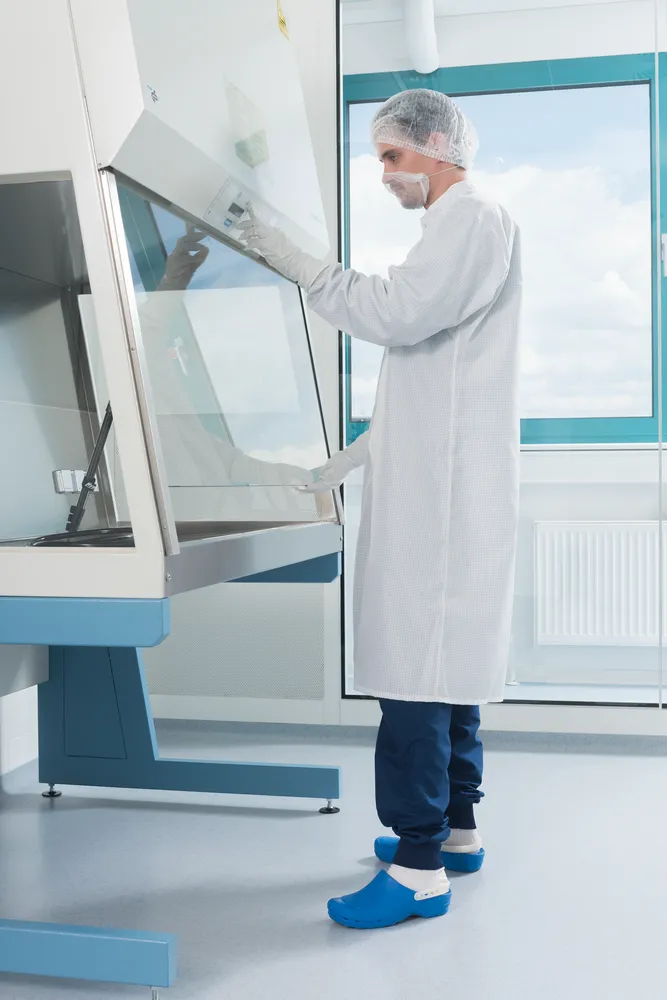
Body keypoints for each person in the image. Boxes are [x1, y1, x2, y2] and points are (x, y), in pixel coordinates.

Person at [237, 88, 522, 930]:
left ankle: (417, 869)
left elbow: (393, 315)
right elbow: (426, 386)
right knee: (447, 671)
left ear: (434, 143)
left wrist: (299, 263)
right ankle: (456, 833)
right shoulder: (461, 230)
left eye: (392, 156)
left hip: (439, 504)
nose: (385, 173)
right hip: (445, 486)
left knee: (412, 679)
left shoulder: (470, 220)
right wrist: (340, 463)